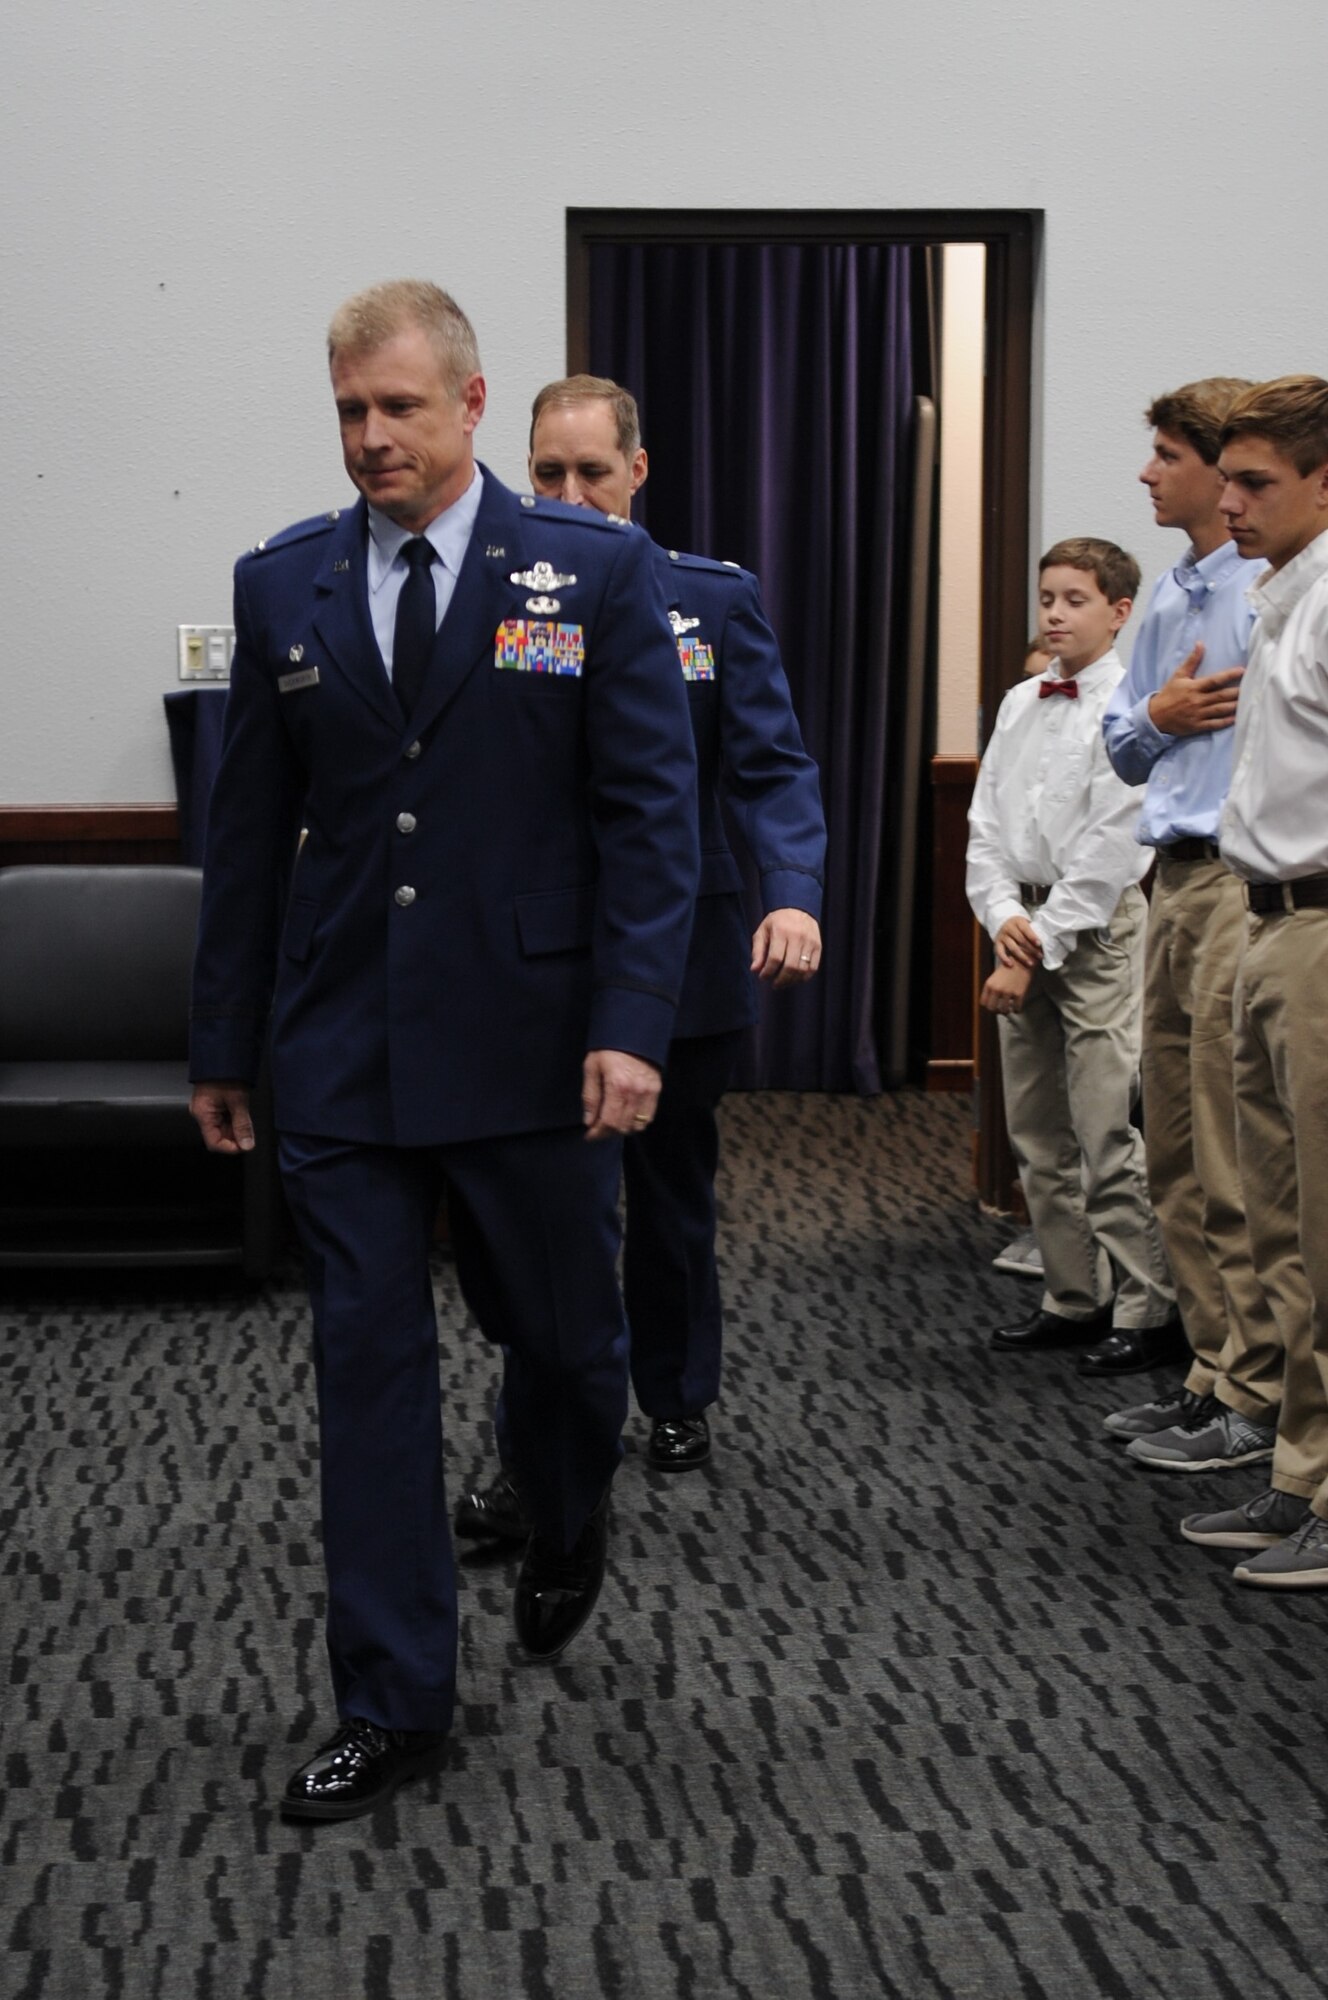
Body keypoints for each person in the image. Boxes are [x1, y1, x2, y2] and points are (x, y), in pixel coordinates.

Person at [189, 284, 700, 1819]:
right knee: (368, 1372)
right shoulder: (285, 585)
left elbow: (648, 821)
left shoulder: (592, 573)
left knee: (559, 1340)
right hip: (342, 1046)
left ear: (471, 406)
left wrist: (629, 1025)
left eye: (397, 409)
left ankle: (563, 1501)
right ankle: (395, 1697)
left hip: (534, 1041)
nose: (368, 439)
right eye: (348, 411)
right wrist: (226, 1042)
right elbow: (247, 838)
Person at [453, 374, 825, 1551]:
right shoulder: (494, 596)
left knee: (667, 1199)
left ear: (637, 470)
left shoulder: (706, 602)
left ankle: (674, 1395)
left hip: (682, 953)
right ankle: (539, 1445)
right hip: (537, 961)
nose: (569, 495)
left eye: (590, 474)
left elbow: (768, 764)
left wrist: (793, 893)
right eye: (546, 474)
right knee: (550, 1224)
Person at [1101, 380, 1283, 1461]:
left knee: (1225, 1148)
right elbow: (1122, 744)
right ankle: (1211, 1364)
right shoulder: (1170, 595)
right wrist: (1159, 715)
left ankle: (1252, 1390)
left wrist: (1153, 728)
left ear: (1219, 476)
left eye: (1166, 453)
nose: (1146, 471)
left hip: (1234, 877)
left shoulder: (1267, 597)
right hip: (1165, 875)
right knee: (1166, 1138)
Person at [1179, 375, 1328, 1588]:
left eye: (1255, 482)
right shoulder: (1283, 596)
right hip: (1267, 918)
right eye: (1223, 477)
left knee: (1324, 1232)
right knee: (1274, 1222)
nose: (1226, 502)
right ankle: (1299, 1472)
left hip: (1321, 929)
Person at [968, 538, 1179, 1370]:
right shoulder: (1022, 700)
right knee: (1036, 1129)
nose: (1054, 613)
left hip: (1091, 932)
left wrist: (1036, 942)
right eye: (1047, 598)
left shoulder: (1131, 707)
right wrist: (1000, 919)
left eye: (1075, 600)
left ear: (1120, 612)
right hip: (1018, 922)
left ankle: (1146, 1306)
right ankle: (1072, 1295)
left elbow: (1112, 847)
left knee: (1104, 1128)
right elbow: (986, 826)